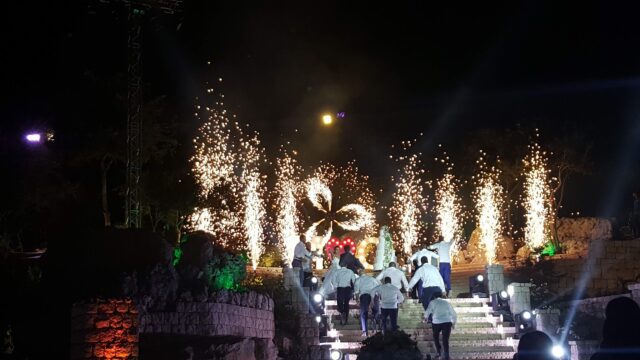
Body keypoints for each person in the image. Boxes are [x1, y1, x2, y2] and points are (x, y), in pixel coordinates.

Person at [424, 292, 457, 360]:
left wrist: (425, 318)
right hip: (447, 322)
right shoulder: (446, 303)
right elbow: (453, 313)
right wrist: (453, 322)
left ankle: (439, 352)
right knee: (445, 339)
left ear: (434, 297)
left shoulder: (432, 302)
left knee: (436, 337)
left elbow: (427, 311)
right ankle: (446, 354)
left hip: (436, 322)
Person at [354, 269, 381, 336]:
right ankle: (374, 318)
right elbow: (378, 287)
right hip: (374, 295)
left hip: (364, 296)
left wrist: (357, 300)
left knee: (363, 313)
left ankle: (364, 331)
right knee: (376, 310)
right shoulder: (372, 279)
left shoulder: (358, 280)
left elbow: (357, 292)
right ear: (365, 273)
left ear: (359, 274)